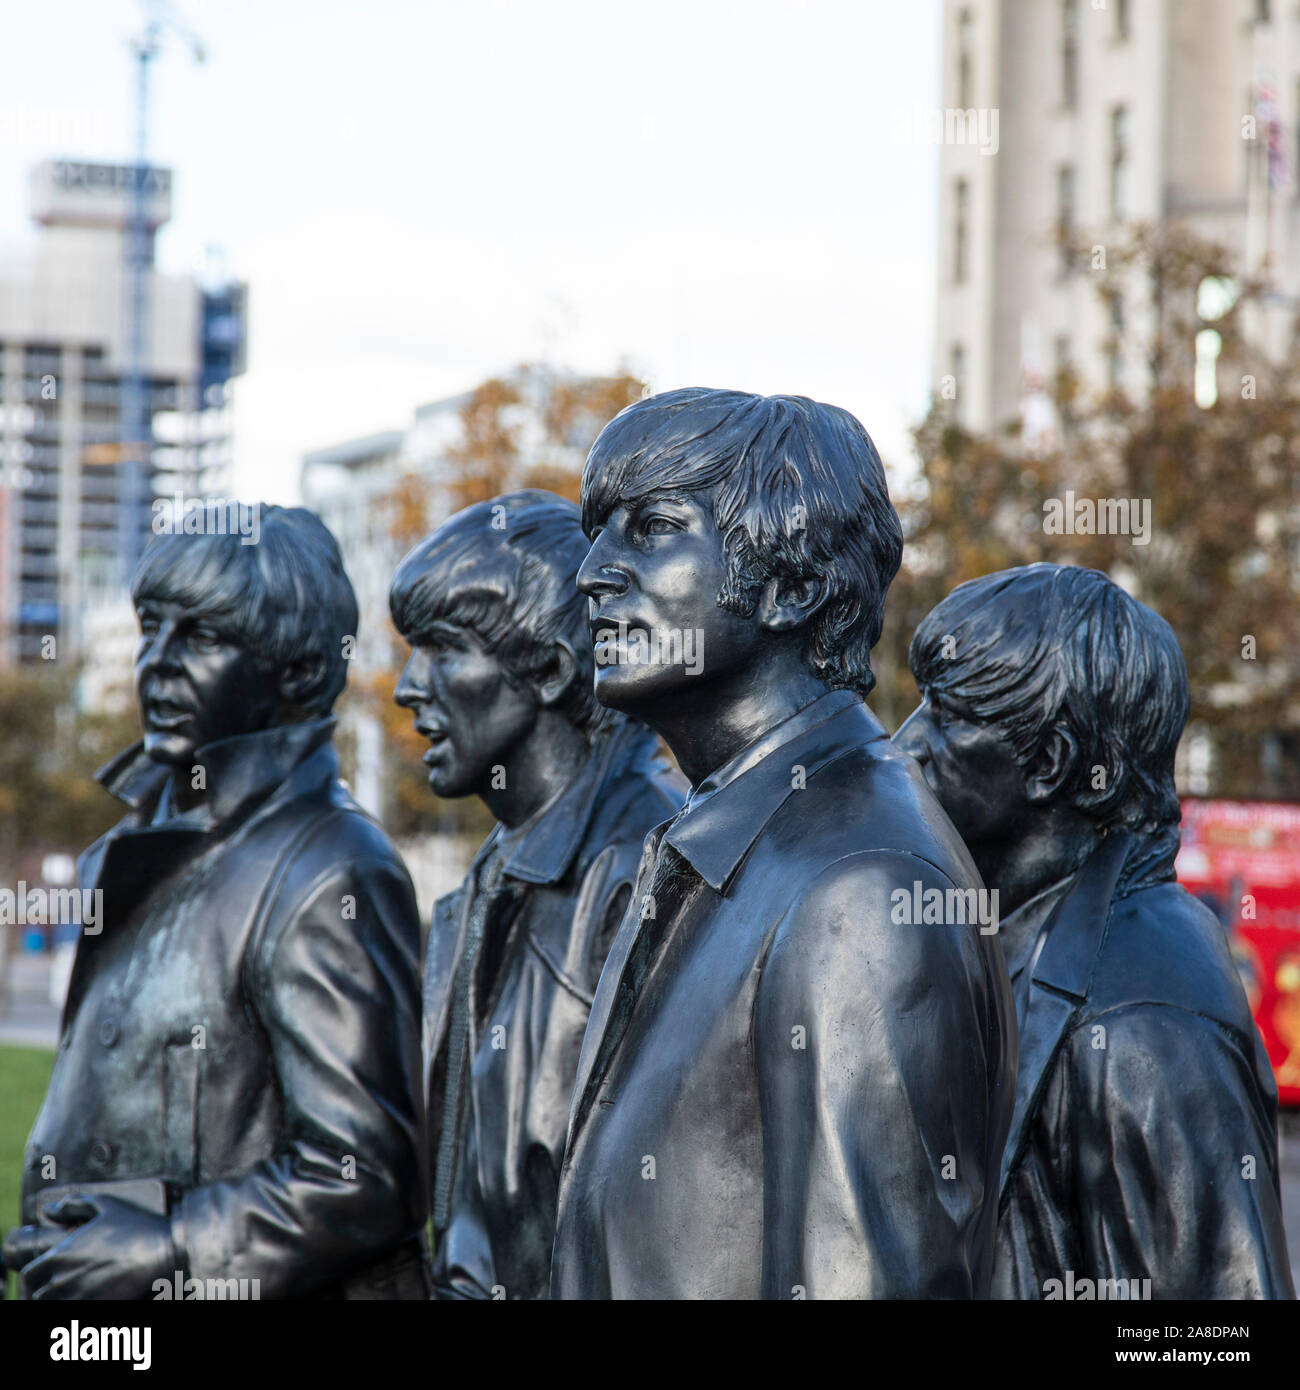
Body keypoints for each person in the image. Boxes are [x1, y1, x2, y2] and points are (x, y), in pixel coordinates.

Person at [550, 388, 1016, 1299]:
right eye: (595, 533)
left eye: (651, 529)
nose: (592, 573)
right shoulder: (736, 838)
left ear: (793, 586)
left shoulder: (858, 892)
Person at [3, 506, 427, 1299]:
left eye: (200, 637)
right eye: (150, 628)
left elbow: (367, 1176)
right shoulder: (130, 847)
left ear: (297, 670)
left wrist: (170, 1250)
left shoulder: (331, 868)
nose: (156, 663)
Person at [896, 563, 1294, 1299]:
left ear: (1053, 764)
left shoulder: (1142, 1020)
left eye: (947, 717)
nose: (904, 743)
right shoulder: (1029, 938)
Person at [392, 490, 683, 1300]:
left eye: (445, 651)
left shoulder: (645, 869)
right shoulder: (493, 875)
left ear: (551, 670)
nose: (408, 689)